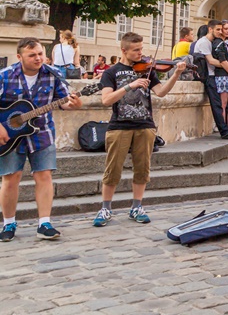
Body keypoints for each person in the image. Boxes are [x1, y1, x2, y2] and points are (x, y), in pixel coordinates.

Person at [93, 32, 186, 227]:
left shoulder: (147, 70)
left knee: (142, 169)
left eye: (141, 49)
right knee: (113, 170)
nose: (140, 54)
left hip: (145, 125)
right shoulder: (112, 72)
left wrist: (176, 74)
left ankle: (137, 206)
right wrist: (130, 86)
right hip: (119, 125)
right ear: (124, 50)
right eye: (136, 50)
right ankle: (106, 208)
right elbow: (106, 99)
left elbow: (160, 92)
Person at [0, 37, 82, 242]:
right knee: (11, 179)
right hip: (9, 135)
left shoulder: (53, 75)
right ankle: (8, 223)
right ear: (19, 57)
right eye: (32, 55)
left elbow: (63, 102)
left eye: (40, 54)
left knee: (44, 176)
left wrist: (73, 104)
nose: (38, 58)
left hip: (42, 132)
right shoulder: (5, 76)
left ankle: (44, 223)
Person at [193, 20, 228, 139]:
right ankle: (224, 131)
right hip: (208, 76)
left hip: (214, 74)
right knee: (218, 105)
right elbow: (211, 61)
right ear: (210, 29)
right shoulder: (204, 42)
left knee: (226, 104)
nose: (221, 32)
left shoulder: (213, 42)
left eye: (222, 29)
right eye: (218, 30)